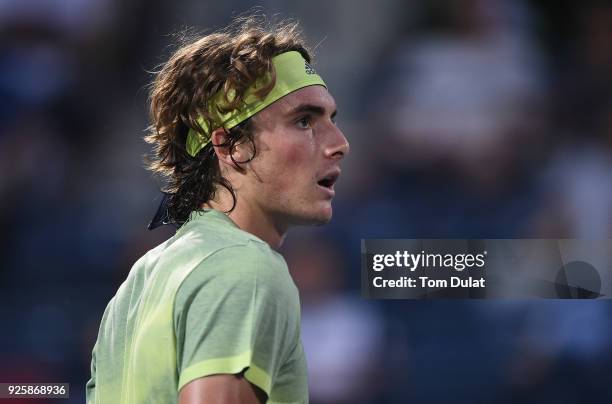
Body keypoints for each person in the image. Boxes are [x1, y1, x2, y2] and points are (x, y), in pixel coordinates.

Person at [85, 14, 349, 404]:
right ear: (231, 146)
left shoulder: (138, 283)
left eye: (331, 119)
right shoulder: (247, 266)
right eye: (304, 121)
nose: (339, 143)